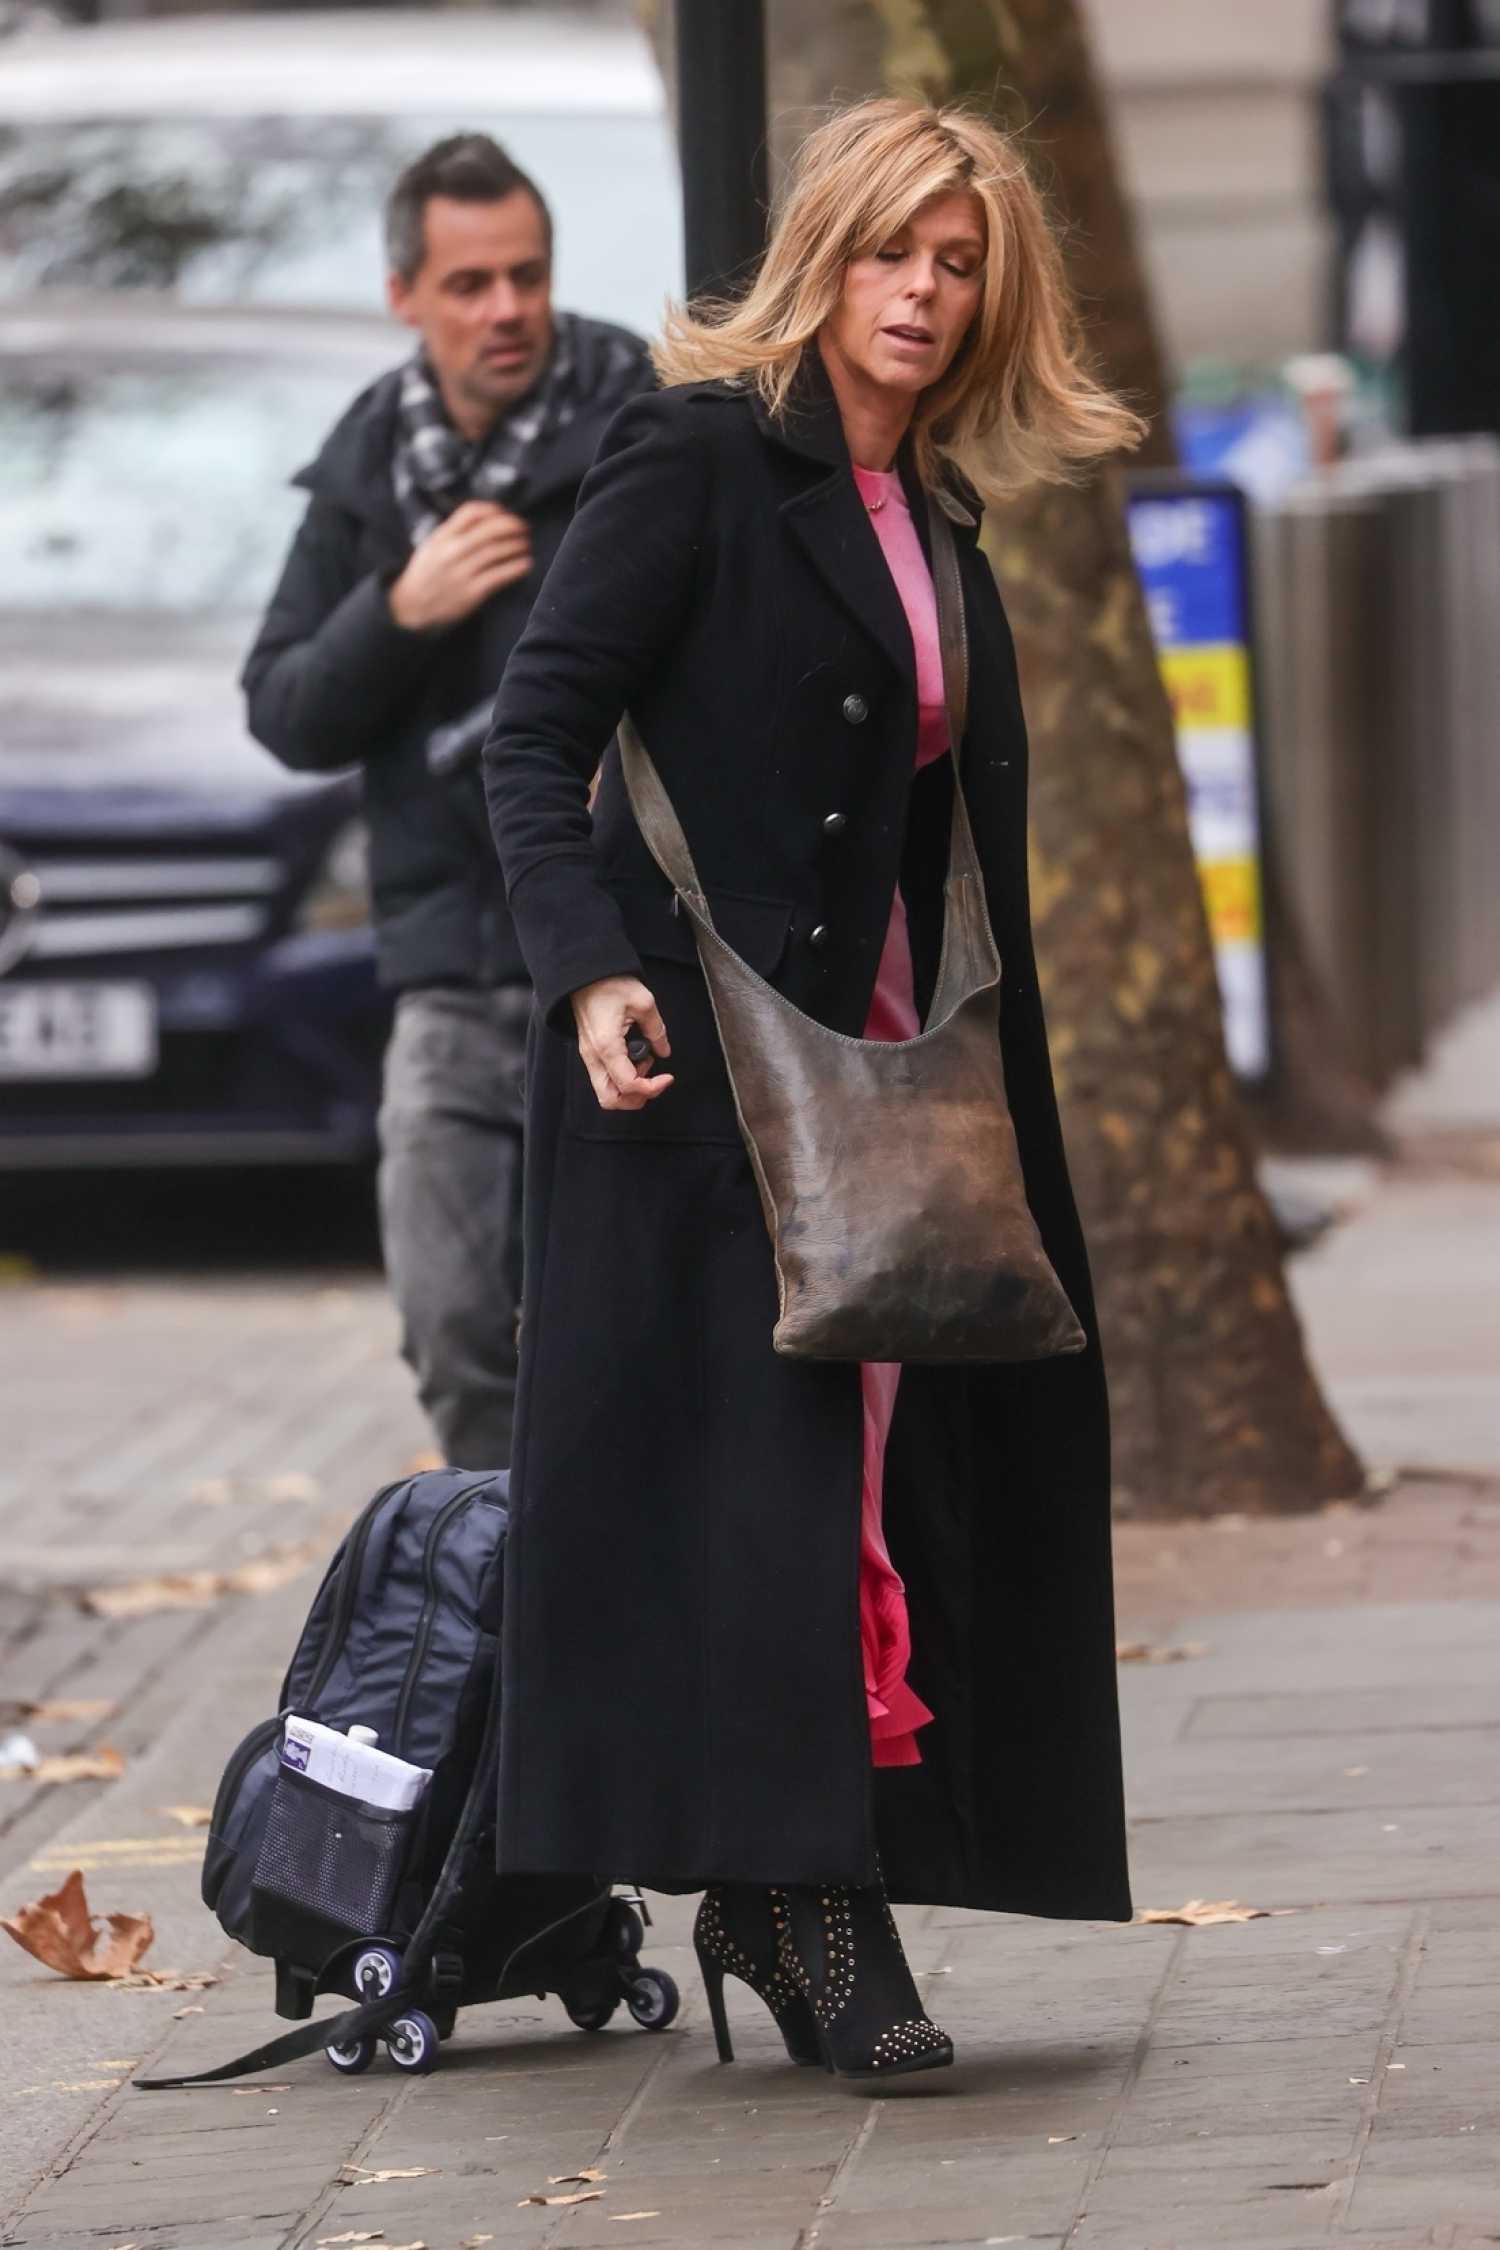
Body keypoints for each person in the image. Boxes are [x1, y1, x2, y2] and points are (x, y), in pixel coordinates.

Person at [483, 98, 1144, 2078]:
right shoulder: (695, 457)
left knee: (885, 1478)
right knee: (773, 1505)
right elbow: (533, 736)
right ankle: (796, 1901)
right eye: (893, 254)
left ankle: (823, 1874)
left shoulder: (934, 497)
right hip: (701, 1087)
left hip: (901, 1086)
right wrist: (594, 976)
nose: (925, 295)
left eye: (959, 267)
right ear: (825, 253)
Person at [243, 134, 653, 1468]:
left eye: (526, 276)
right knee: (455, 1320)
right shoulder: (371, 462)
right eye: (470, 284)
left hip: (623, 958)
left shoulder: (638, 423)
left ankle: (626, 1606)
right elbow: (285, 708)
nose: (508, 311)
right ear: (405, 294)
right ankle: (505, 1601)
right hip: (455, 972)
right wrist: (399, 611)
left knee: (631, 1334)